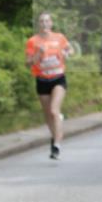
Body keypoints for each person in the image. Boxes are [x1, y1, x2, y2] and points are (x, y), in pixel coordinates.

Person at [25, 12, 73, 159]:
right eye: (41, 21)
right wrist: (37, 55)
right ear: (39, 24)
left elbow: (70, 49)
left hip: (58, 78)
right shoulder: (33, 41)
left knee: (53, 110)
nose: (44, 23)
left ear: (51, 23)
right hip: (42, 80)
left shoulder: (59, 38)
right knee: (48, 115)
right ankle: (55, 135)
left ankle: (57, 145)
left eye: (47, 21)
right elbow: (28, 63)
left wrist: (67, 54)